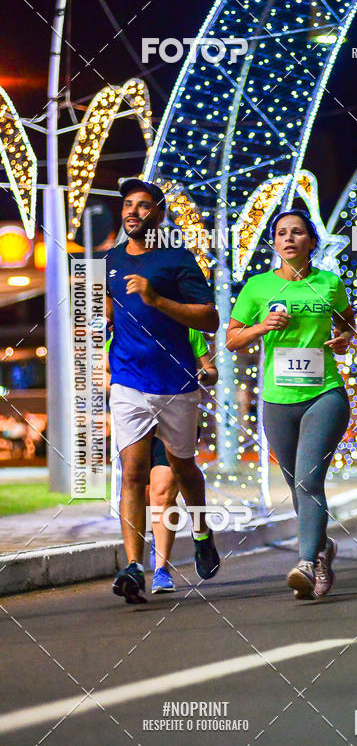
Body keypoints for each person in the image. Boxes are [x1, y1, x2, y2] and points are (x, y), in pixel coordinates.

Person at [226, 209, 354, 599]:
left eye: (297, 232)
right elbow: (232, 339)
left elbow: (347, 321)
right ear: (274, 243)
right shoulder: (258, 287)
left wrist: (344, 338)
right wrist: (262, 326)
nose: (289, 238)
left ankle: (306, 563)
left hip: (325, 394)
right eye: (282, 233)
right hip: (278, 401)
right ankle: (322, 549)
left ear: (311, 242)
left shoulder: (329, 283)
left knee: (308, 480)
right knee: (297, 487)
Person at [106, 178, 219, 604]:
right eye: (127, 205)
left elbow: (209, 318)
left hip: (176, 384)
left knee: (183, 468)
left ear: (159, 213)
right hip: (128, 382)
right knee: (132, 473)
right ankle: (135, 566)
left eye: (142, 205)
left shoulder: (178, 259)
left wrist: (156, 300)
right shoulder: (111, 260)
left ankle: (201, 531)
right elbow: (110, 309)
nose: (132, 211)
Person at [107, 328, 218, 593]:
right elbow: (104, 371)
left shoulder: (186, 329)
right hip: (138, 417)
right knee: (140, 489)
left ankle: (162, 567)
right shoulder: (124, 330)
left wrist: (203, 375)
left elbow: (211, 371)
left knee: (161, 493)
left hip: (174, 411)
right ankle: (135, 564)